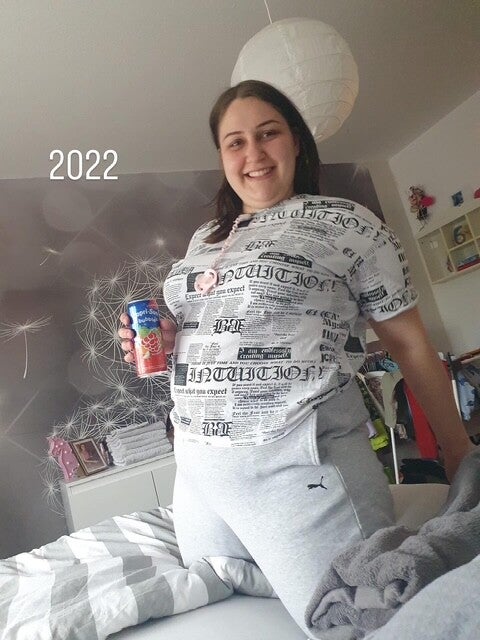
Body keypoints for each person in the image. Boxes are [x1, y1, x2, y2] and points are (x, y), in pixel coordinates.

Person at [119, 80, 473, 637]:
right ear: (222, 156)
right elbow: (212, 327)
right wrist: (166, 336)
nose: (253, 154)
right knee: (222, 598)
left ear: (298, 142)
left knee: (360, 620)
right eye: (235, 142)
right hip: (198, 470)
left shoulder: (350, 223)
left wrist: (458, 450)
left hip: (296, 465)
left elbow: (409, 344)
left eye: (268, 134)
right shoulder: (206, 238)